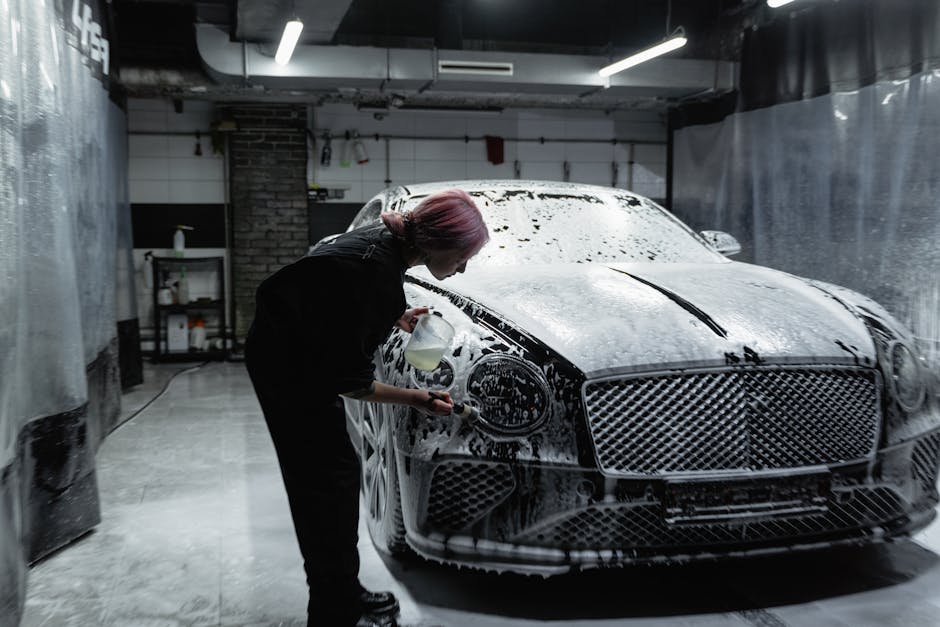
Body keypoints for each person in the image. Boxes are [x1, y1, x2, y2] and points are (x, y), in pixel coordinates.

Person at [244, 189, 489, 626]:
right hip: (288, 367)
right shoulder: (374, 273)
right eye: (462, 256)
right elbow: (352, 384)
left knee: (336, 478)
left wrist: (393, 314)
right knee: (325, 487)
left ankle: (342, 590)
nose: (463, 267)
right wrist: (417, 398)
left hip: (291, 340)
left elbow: (337, 293)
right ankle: (332, 610)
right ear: (437, 243)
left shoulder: (387, 240)